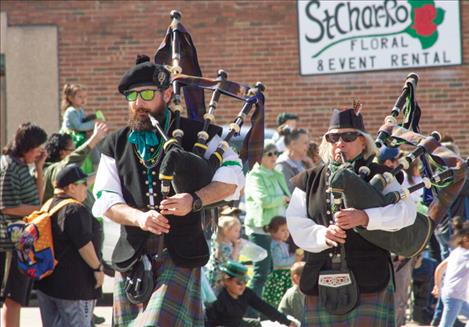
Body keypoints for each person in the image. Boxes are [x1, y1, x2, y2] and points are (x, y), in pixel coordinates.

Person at [91, 55, 244, 326]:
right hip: (133, 255)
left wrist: (194, 200)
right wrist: (139, 217)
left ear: (167, 93)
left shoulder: (201, 134)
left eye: (147, 94)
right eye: (131, 96)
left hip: (180, 253)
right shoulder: (116, 144)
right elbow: (105, 198)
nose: (138, 103)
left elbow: (233, 178)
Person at [287, 107, 417, 326]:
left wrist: (366, 218)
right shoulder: (309, 180)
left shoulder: (381, 175)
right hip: (321, 278)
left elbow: (406, 213)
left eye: (348, 136)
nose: (340, 142)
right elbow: (296, 221)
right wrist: (323, 234)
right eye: (334, 137)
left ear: (363, 141)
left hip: (370, 277)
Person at [35, 164, 103, 327]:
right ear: (72, 187)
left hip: (47, 285)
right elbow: (84, 246)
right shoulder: (74, 209)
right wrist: (97, 269)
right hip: (74, 288)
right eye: (84, 184)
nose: (87, 188)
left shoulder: (48, 205)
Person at [0, 122, 47, 327]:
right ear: (28, 145)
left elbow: (37, 199)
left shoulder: (20, 166)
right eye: (38, 148)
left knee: (16, 298)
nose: (39, 152)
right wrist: (39, 211)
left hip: (20, 241)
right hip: (9, 244)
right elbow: (6, 207)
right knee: (12, 298)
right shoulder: (10, 167)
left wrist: (38, 169)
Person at [244, 141, 290, 301]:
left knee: (270, 272)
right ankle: (249, 310)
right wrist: (283, 199)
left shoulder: (277, 174)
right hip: (260, 230)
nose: (274, 157)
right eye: (269, 153)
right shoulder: (255, 175)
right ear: (260, 157)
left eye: (276, 153)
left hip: (276, 231)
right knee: (260, 273)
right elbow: (263, 200)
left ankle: (264, 309)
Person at [205, 260, 296, 327]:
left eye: (245, 282)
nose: (243, 286)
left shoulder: (246, 293)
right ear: (226, 281)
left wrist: (287, 322)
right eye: (239, 282)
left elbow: (264, 307)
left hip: (236, 323)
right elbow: (207, 322)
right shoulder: (216, 298)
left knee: (255, 324)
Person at [432, 218, 469, 327]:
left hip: (449, 293)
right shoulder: (466, 255)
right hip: (455, 296)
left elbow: (440, 268)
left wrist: (437, 286)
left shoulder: (456, 252)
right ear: (466, 239)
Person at [60, 83, 102, 171]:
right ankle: (97, 165)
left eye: (85, 97)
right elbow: (78, 127)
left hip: (78, 135)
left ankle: (99, 161)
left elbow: (83, 122)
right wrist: (93, 123)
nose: (83, 99)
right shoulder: (71, 111)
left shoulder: (80, 110)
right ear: (71, 98)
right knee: (91, 143)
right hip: (71, 137)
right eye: (80, 97)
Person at [262, 216, 297, 308]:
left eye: (287, 230)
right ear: (273, 231)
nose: (286, 233)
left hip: (285, 275)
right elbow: (278, 263)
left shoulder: (284, 244)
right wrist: (295, 258)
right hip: (279, 276)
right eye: (282, 230)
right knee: (278, 297)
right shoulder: (275, 245)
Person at [206, 215, 242, 294]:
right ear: (226, 231)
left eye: (239, 231)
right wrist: (236, 248)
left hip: (215, 276)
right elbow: (231, 263)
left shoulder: (220, 241)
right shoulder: (225, 247)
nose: (238, 234)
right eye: (235, 231)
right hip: (219, 278)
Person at [275, 128, 309, 193]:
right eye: (305, 143)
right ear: (293, 144)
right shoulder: (282, 166)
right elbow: (289, 193)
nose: (308, 146)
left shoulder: (303, 162)